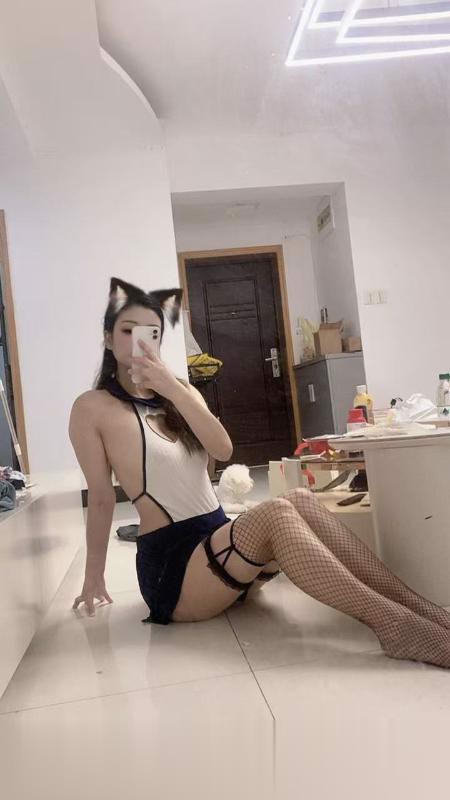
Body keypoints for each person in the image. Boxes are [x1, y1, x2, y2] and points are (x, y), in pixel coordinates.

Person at [69, 277, 450, 669]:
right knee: (277, 512)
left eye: (151, 332)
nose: (139, 342)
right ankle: (395, 625)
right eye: (127, 330)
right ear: (108, 339)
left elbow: (222, 449)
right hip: (175, 570)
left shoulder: (180, 393)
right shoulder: (92, 408)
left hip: (223, 550)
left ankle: (422, 609)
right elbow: (100, 498)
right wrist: (93, 575)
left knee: (299, 498)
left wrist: (174, 389)